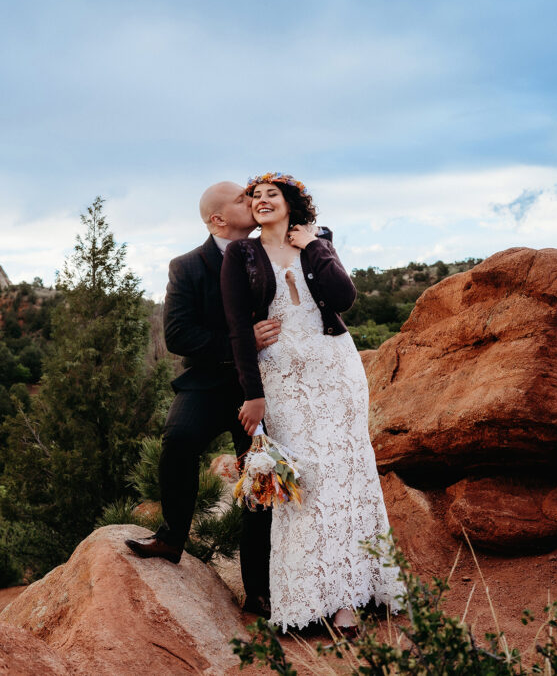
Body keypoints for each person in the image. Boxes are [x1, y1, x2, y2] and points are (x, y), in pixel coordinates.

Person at [220, 172, 404, 632]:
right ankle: (313, 596)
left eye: (272, 195)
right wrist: (253, 395)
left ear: (291, 204)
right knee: (309, 482)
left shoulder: (318, 240)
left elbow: (344, 297)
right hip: (282, 380)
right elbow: (238, 327)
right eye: (255, 197)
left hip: (336, 371)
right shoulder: (242, 254)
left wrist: (314, 247)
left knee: (348, 474)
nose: (262, 201)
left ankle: (352, 597)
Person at [124, 181, 281, 615]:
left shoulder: (272, 251)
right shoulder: (188, 266)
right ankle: (172, 537)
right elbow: (177, 335)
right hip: (210, 381)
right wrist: (241, 342)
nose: (252, 201)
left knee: (259, 477)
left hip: (267, 386)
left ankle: (259, 590)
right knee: (178, 440)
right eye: (241, 199)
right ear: (218, 219)